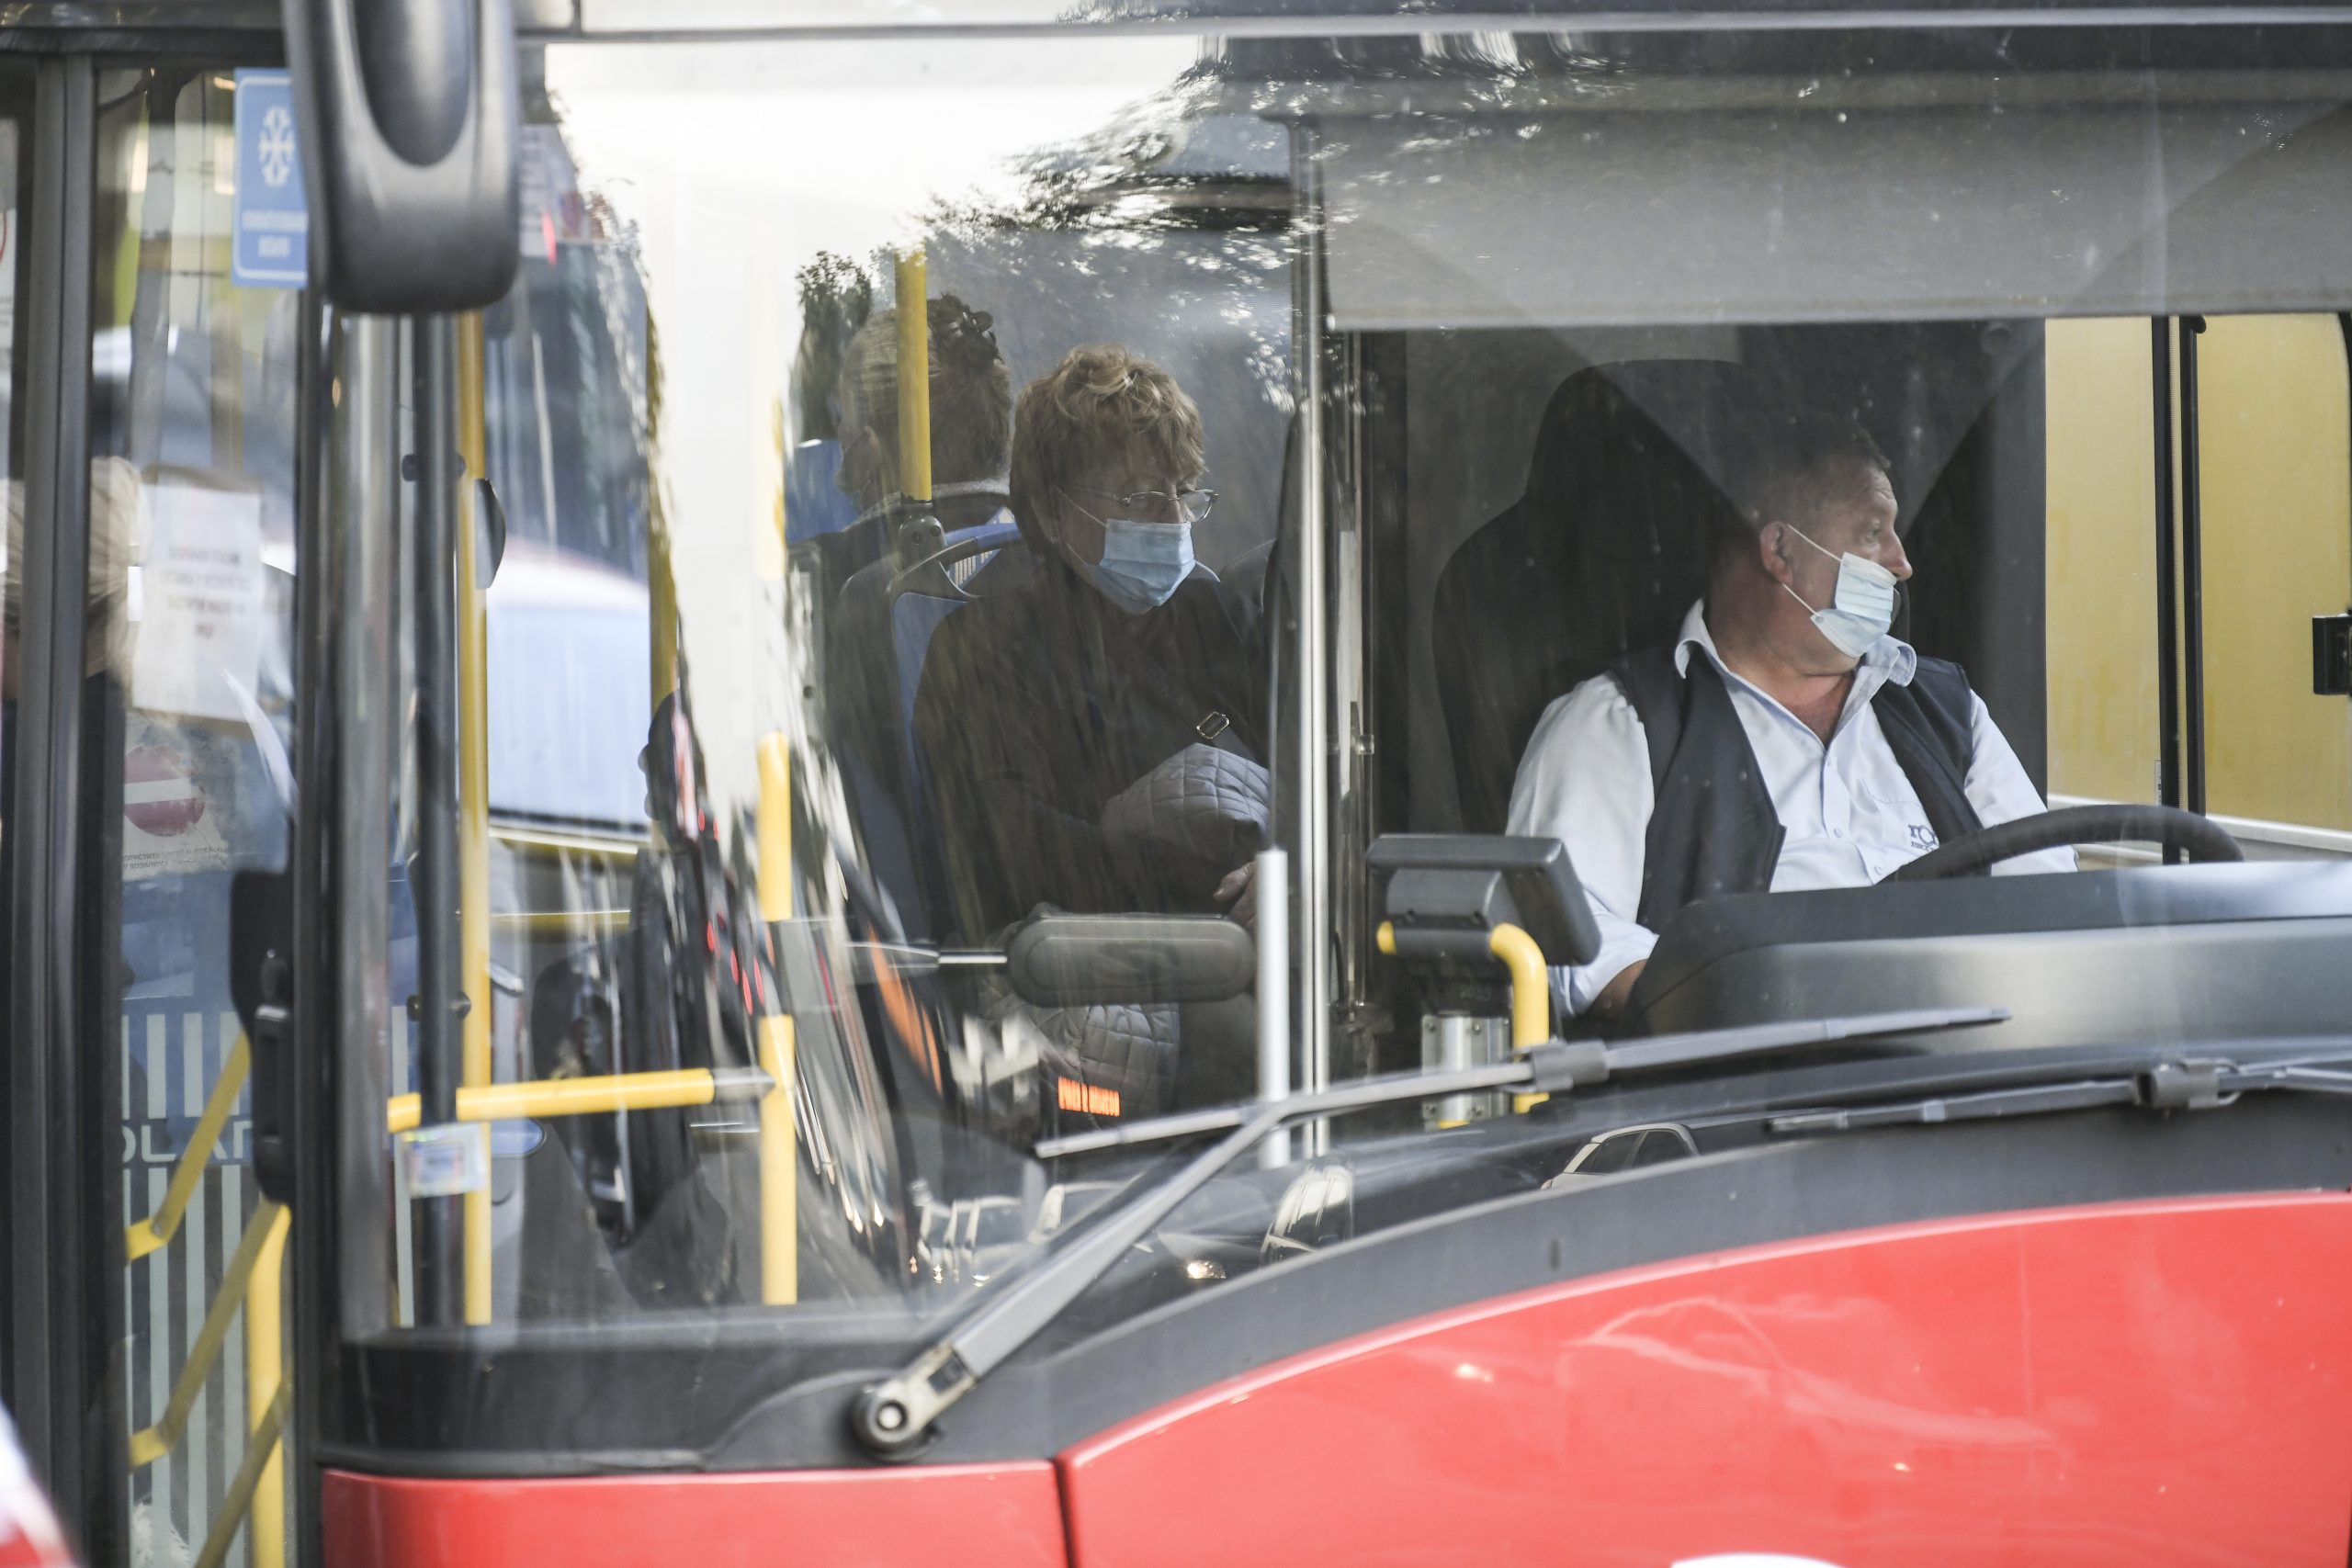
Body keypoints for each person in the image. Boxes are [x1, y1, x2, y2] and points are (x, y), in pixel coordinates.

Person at [1508, 394, 2072, 1019]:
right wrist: (1750, 1005)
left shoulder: (1947, 711)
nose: (1902, 562)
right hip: (1744, 1095)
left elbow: (2055, 904)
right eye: (1871, 531)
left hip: (1968, 1077)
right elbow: (1568, 942)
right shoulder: (1621, 724)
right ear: (1780, 550)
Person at [912, 345, 1265, 1111]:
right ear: (1050, 510)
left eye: (1183, 494)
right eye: (1140, 499)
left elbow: (1308, 781)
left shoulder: (1217, 620)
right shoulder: (979, 652)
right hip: (1090, 970)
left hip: (1256, 940)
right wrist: (1216, 883)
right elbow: (1015, 850)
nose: (1173, 523)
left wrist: (1285, 869)